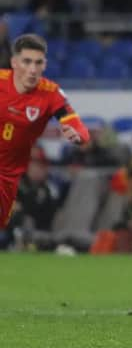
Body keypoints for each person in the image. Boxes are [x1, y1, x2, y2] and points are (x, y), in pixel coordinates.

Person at [0, 33, 89, 230]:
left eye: (38, 63)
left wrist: (78, 135)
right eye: (27, 62)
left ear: (44, 65)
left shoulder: (51, 94)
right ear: (14, 62)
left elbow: (78, 126)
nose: (32, 70)